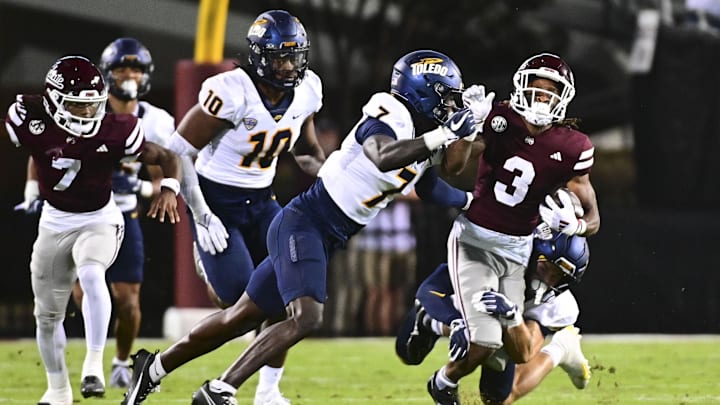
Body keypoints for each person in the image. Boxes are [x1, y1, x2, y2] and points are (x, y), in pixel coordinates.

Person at [121, 48, 490, 405]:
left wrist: (471, 182)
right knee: (307, 317)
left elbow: (432, 182)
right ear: (421, 90)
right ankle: (221, 389)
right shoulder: (389, 109)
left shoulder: (427, 130)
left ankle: (152, 369)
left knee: (239, 317)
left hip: (327, 233)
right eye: (445, 97)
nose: (450, 106)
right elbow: (381, 155)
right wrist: (442, 135)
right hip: (306, 222)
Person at [168, 10, 326, 404]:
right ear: (258, 57)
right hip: (216, 200)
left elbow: (305, 151)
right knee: (236, 302)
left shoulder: (307, 90)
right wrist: (202, 216)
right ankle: (207, 263)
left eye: (295, 56)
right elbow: (178, 151)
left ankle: (268, 393)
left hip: (263, 199)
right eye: (279, 57)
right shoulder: (231, 91)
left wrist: (330, 176)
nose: (288, 66)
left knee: (282, 291)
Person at [4, 55, 181, 405]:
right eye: (76, 106)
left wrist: (169, 189)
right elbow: (33, 148)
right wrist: (31, 190)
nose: (86, 114)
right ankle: (57, 390)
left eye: (92, 106)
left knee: (91, 272)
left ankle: (94, 365)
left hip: (100, 217)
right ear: (55, 102)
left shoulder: (116, 128)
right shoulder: (29, 119)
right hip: (54, 221)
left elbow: (166, 157)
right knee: (47, 315)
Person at [427, 52, 601, 405]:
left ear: (563, 98)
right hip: (478, 238)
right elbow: (451, 165)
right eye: (535, 91)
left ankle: (553, 345)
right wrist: (468, 125)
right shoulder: (499, 119)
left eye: (549, 92)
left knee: (507, 371)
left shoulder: (574, 147)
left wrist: (578, 224)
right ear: (520, 89)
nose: (541, 99)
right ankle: (444, 376)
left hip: (525, 249)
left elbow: (595, 219)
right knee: (488, 342)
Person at [66, 37, 176, 390]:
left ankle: (118, 364)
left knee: (128, 304)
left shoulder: (156, 120)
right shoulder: (87, 111)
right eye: (121, 68)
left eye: (136, 68)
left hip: (125, 217)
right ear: (107, 74)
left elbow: (162, 176)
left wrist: (143, 188)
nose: (129, 75)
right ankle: (92, 362)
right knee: (84, 294)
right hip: (85, 215)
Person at [396, 225, 592, 404]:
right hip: (455, 308)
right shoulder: (497, 257)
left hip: (504, 328)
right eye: (546, 268)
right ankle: (430, 322)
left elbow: (525, 352)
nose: (548, 280)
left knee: (497, 399)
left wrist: (512, 316)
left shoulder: (557, 302)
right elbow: (429, 289)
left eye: (557, 277)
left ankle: (560, 349)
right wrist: (455, 321)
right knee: (408, 353)